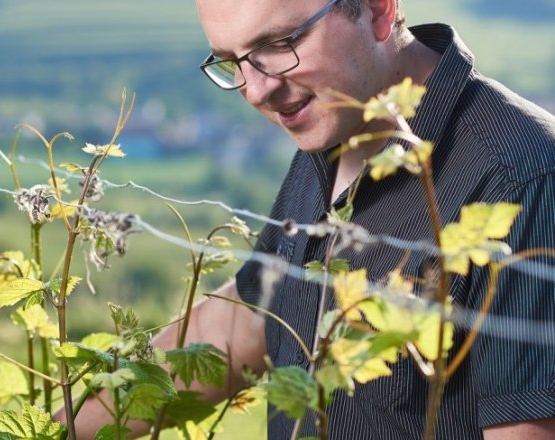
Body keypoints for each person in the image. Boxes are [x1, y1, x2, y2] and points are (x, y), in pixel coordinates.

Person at [70, 0, 555, 438]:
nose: (257, 90)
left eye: (280, 44)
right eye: (231, 61)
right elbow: (252, 317)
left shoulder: (522, 174)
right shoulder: (333, 123)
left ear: (378, 10)